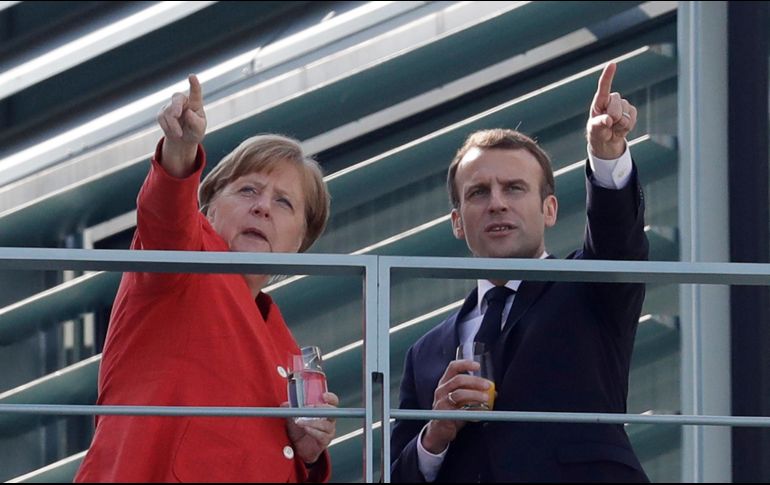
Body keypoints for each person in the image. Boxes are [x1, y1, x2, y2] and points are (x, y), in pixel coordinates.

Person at [391, 63, 650, 482]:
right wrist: (434, 435)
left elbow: (619, 240)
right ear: (458, 223)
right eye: (478, 192)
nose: (496, 203)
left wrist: (606, 155)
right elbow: (396, 474)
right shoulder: (424, 353)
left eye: (514, 188)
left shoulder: (588, 286)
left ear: (549, 209)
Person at [75, 75, 337, 482]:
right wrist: (181, 149)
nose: (263, 208)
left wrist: (307, 452)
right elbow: (166, 213)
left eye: (283, 202)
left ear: (300, 240)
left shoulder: (284, 341)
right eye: (248, 190)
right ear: (209, 210)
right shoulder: (184, 260)